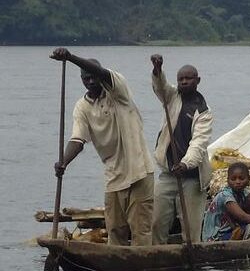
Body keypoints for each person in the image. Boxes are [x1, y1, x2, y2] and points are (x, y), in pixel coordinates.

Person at [50, 48, 154, 246]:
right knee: (115, 231)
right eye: (85, 78)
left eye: (93, 76)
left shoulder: (118, 91)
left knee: (141, 230)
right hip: (113, 175)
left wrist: (71, 58)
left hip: (138, 170)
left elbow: (104, 74)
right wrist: (63, 162)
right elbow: (77, 140)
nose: (90, 81)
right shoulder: (82, 106)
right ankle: (115, 270)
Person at [150, 54, 213, 245]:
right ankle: (157, 257)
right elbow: (160, 87)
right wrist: (157, 69)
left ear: (198, 81)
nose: (184, 82)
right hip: (169, 173)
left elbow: (199, 144)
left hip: (192, 177)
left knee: (191, 229)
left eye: (188, 78)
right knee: (157, 222)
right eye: (181, 79)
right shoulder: (172, 97)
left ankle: (192, 264)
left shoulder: (203, 111)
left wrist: (185, 164)